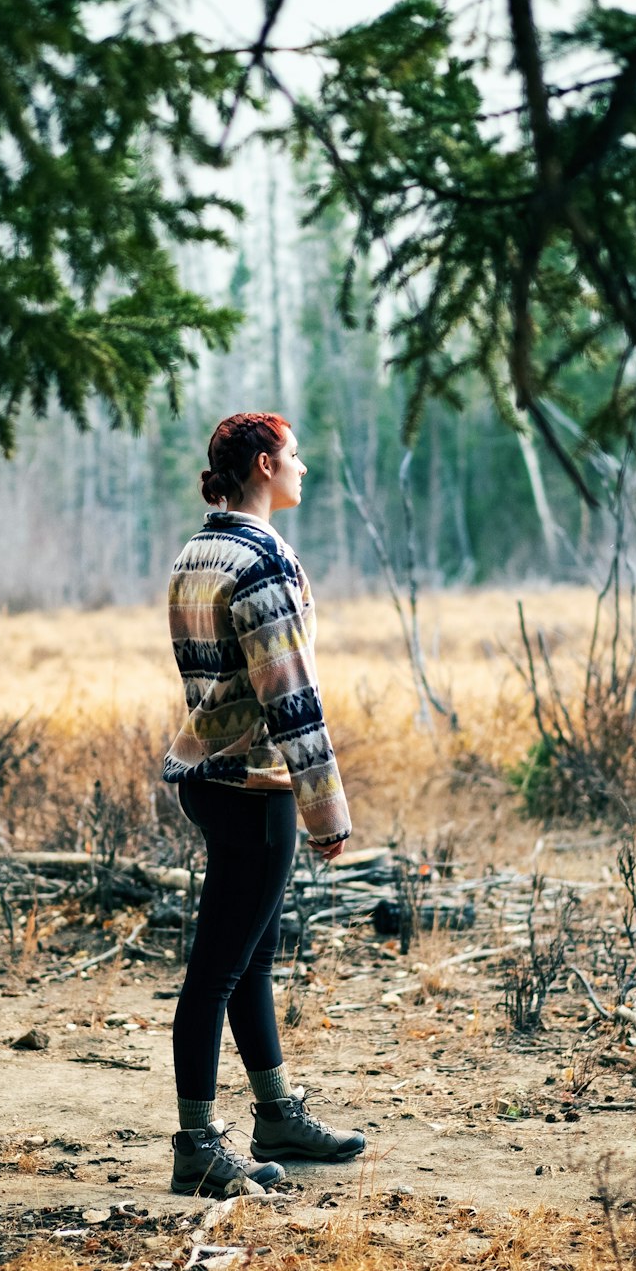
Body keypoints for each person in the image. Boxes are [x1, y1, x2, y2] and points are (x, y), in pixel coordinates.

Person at [162, 412, 366, 1198]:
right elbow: (294, 699)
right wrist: (328, 811)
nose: (303, 466)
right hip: (257, 787)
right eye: (293, 454)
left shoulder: (196, 553)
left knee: (246, 959)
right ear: (262, 463)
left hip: (206, 779)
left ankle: (277, 1113)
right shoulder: (265, 564)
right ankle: (196, 1144)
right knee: (217, 970)